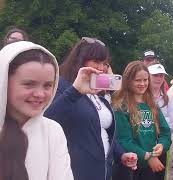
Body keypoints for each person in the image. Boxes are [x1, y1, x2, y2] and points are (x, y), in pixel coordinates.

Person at [44, 37, 137, 180]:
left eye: (105, 63)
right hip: (74, 172)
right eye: (96, 61)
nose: (101, 68)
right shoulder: (60, 86)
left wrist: (121, 154)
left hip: (103, 172)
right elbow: (47, 119)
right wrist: (75, 91)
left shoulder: (97, 91)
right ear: (80, 61)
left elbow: (101, 129)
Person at [0, 41, 73, 179]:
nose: (40, 94)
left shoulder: (52, 131)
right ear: (3, 81)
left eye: (47, 85)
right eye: (29, 84)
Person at [112, 61, 171, 180]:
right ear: (128, 81)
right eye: (138, 80)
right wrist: (147, 157)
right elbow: (124, 140)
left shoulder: (152, 105)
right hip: (130, 167)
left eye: (145, 80)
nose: (143, 84)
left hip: (151, 167)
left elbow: (165, 132)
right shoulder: (120, 106)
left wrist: (162, 145)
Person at [148, 63, 173, 133]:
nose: (158, 78)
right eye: (155, 75)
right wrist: (166, 120)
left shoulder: (168, 98)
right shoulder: (141, 97)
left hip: (163, 142)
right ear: (148, 76)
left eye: (161, 75)